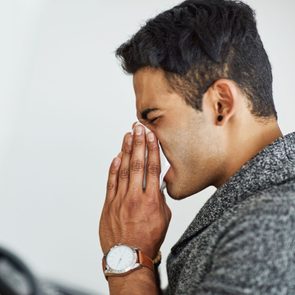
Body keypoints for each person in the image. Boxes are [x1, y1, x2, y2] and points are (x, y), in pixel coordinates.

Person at [99, 0, 295, 294]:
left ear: (220, 104)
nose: (144, 136)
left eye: (153, 118)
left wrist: (129, 259)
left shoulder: (274, 224)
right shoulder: (252, 210)